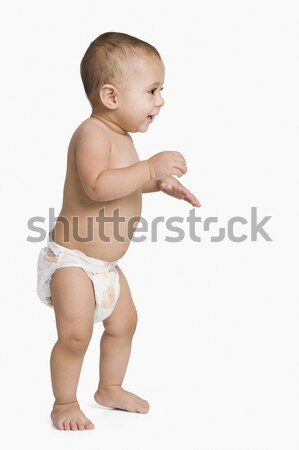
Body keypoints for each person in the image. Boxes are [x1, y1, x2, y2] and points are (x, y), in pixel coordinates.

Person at [37, 31, 200, 431]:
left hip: (106, 267)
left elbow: (121, 182)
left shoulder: (122, 137)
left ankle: (109, 386)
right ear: (111, 97)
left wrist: (156, 183)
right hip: (73, 262)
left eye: (161, 90)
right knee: (75, 336)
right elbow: (97, 185)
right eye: (151, 90)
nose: (160, 100)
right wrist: (148, 168)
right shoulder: (91, 134)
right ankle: (64, 403)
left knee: (124, 324)